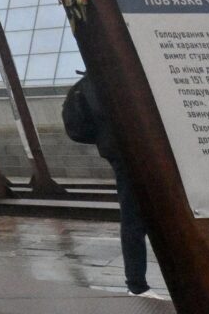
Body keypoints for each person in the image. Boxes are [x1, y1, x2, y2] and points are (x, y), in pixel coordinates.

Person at [61, 71, 151, 298]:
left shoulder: (89, 81)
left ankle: (137, 283)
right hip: (131, 151)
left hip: (117, 152)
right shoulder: (109, 78)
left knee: (133, 217)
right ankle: (136, 284)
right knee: (133, 218)